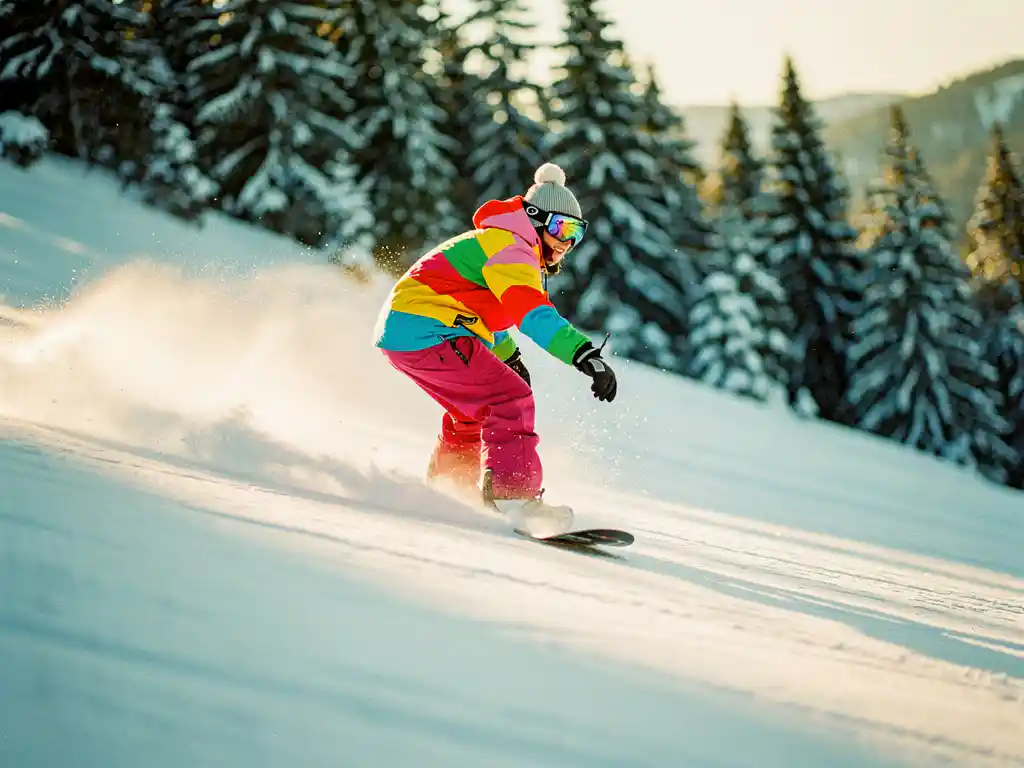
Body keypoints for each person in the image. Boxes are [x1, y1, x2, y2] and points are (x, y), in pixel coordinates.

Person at [374, 162, 618, 537]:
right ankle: (514, 498)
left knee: (470, 414)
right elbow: (531, 311)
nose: (566, 242)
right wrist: (583, 354)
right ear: (534, 219)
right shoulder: (511, 246)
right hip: (428, 328)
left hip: (412, 330)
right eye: (560, 227)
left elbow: (480, 310)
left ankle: (448, 492)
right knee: (510, 398)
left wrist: (509, 357)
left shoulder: (505, 245)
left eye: (576, 233)